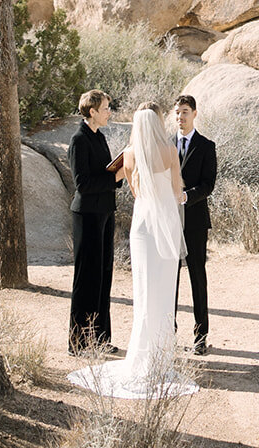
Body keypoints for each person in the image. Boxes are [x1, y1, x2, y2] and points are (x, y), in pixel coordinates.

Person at [69, 104, 197, 399]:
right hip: (165, 223)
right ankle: (162, 354)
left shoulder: (129, 155)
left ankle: (141, 353)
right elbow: (178, 190)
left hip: (142, 225)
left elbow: (136, 191)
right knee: (164, 288)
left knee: (143, 288)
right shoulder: (170, 152)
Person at [68, 87, 120, 354]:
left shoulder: (99, 137)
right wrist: (115, 178)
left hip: (104, 212)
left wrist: (116, 173)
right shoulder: (79, 140)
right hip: (87, 214)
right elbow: (83, 183)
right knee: (86, 278)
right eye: (105, 109)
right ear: (92, 112)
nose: (109, 113)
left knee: (103, 276)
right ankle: (78, 343)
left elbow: (103, 171)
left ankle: (100, 338)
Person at [173, 93, 217, 355]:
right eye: (177, 112)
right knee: (170, 278)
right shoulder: (166, 144)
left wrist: (186, 196)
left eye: (185, 112)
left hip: (196, 221)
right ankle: (170, 332)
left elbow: (208, 184)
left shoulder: (206, 145)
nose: (181, 117)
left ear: (195, 113)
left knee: (197, 277)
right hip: (169, 221)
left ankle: (201, 336)